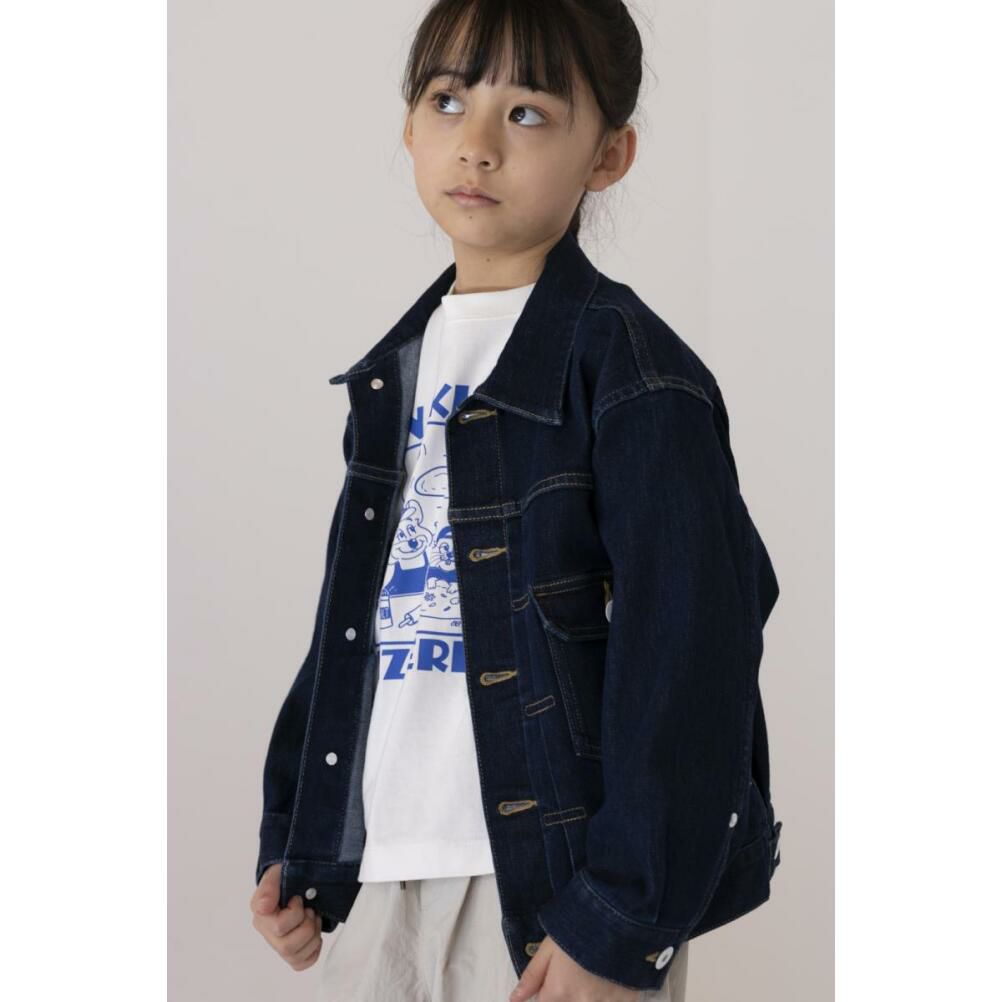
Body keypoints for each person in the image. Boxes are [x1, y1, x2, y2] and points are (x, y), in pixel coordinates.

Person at [249, 2, 783, 1000]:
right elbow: (353, 629)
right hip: (379, 876)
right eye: (449, 101)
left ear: (608, 155)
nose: (479, 144)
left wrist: (616, 923)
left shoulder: (633, 374)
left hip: (547, 897)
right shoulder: (394, 374)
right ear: (410, 126)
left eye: (528, 112)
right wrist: (298, 839)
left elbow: (691, 655)